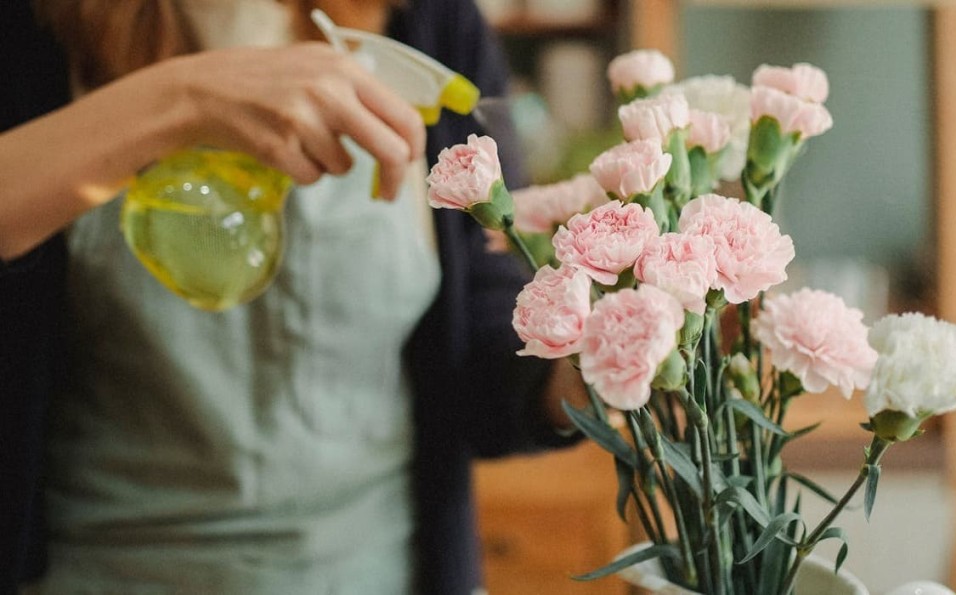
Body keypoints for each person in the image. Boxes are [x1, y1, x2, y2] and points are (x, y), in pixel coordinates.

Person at [0, 1, 583, 593]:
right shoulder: (32, 31)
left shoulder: (430, 22)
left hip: (381, 570)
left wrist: (578, 374)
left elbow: (485, 340)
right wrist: (181, 100)